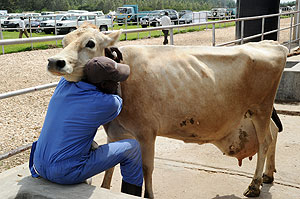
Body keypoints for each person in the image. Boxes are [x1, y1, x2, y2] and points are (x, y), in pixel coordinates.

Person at [29, 56, 143, 197]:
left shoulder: (63, 84)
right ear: (104, 84)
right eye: (115, 81)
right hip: (65, 173)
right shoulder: (108, 103)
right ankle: (131, 196)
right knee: (132, 148)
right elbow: (118, 101)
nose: (118, 84)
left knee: (86, 142)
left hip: (38, 164)